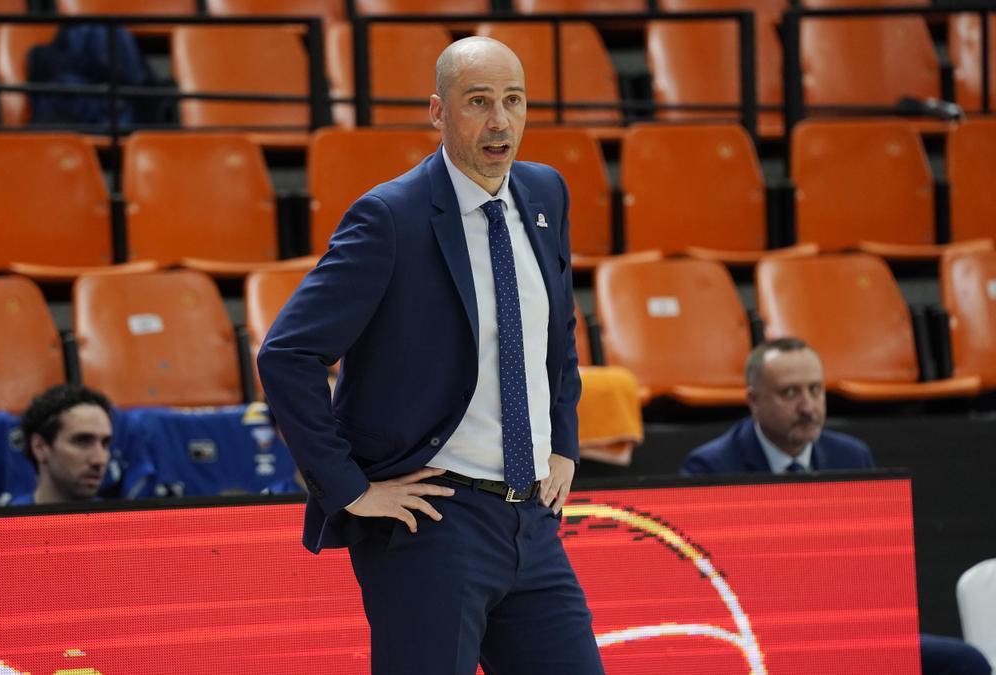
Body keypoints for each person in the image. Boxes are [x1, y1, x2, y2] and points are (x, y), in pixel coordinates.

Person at [258, 37, 603, 675]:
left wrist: (564, 442)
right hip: (432, 523)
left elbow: (557, 330)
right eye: (478, 102)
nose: (500, 121)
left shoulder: (546, 193)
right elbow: (287, 354)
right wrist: (351, 490)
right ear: (439, 113)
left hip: (532, 520)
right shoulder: (391, 217)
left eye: (513, 101)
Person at [682, 337, 992, 675]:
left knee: (964, 662)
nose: (808, 407)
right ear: (754, 401)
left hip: (846, 627)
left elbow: (874, 564)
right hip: (762, 634)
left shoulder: (852, 456)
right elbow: (710, 583)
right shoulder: (711, 468)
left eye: (816, 390)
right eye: (790, 393)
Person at [10, 384, 113, 506]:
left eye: (105, 444)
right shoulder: (6, 523)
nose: (99, 460)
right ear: (40, 447)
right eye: (82, 441)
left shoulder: (121, 522)